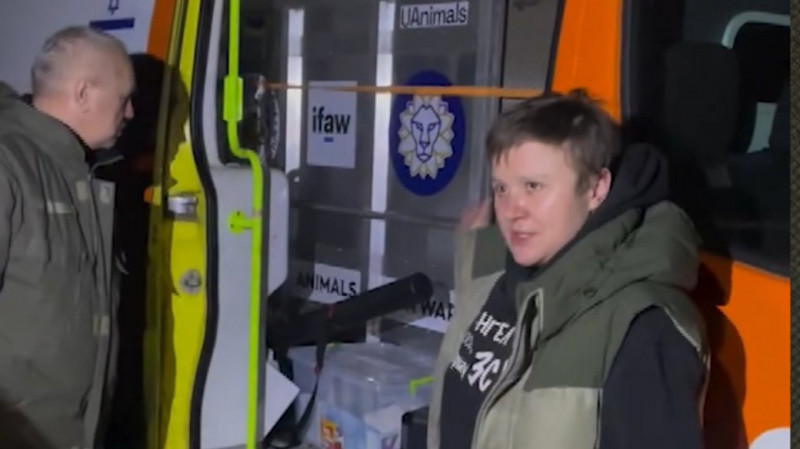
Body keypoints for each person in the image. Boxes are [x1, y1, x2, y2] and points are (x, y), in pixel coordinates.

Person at [427, 89, 709, 449]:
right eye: (501, 189)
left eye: (533, 186)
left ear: (596, 188)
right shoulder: (495, 281)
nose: (512, 210)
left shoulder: (641, 329)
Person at [0, 25, 134, 448]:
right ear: (83, 94)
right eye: (124, 98)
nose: (130, 112)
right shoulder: (8, 167)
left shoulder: (82, 176)